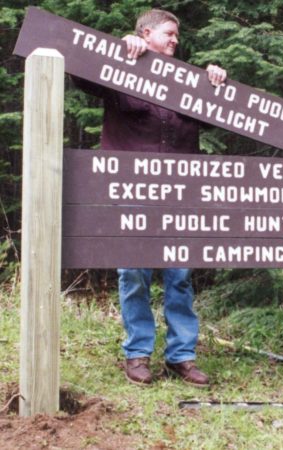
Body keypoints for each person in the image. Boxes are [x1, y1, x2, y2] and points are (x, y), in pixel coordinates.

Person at [73, 9, 227, 387]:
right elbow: (78, 71)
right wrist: (117, 53)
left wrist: (215, 82)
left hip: (180, 193)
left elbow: (223, 114)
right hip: (131, 191)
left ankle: (182, 356)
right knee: (134, 273)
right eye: (169, 33)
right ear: (146, 32)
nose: (176, 39)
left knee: (179, 276)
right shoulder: (121, 68)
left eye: (177, 35)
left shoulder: (189, 82)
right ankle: (138, 352)